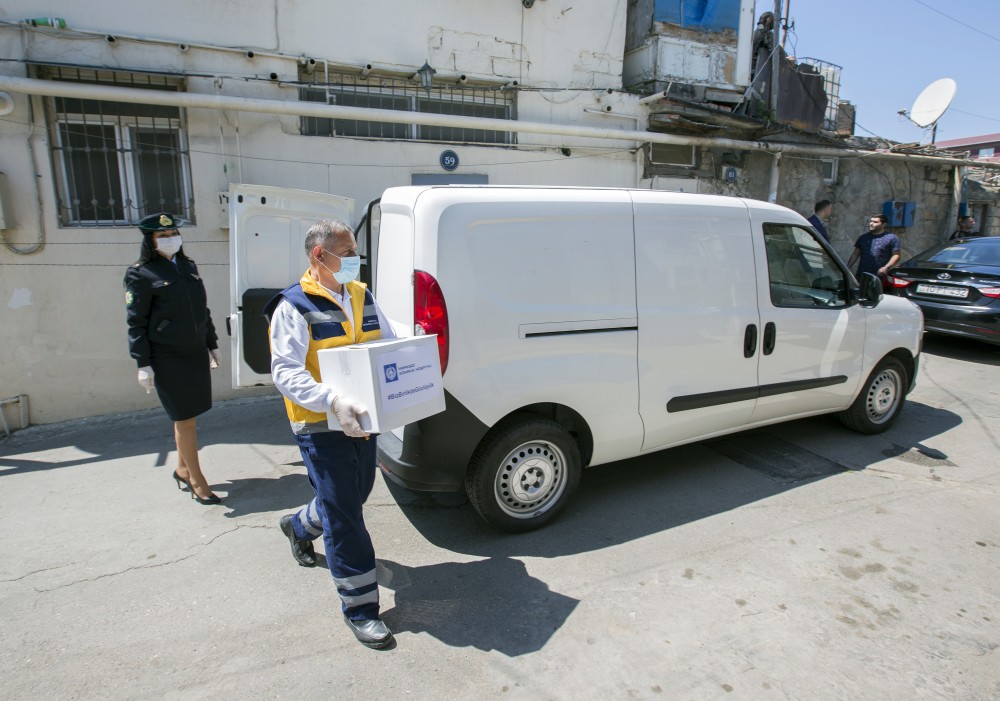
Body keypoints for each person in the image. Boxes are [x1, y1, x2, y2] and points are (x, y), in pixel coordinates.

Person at [265, 219, 398, 650]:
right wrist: (331, 400)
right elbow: (285, 371)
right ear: (319, 256)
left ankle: (298, 526)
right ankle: (360, 609)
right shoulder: (293, 305)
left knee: (352, 495)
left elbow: (387, 343)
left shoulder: (361, 295)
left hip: (362, 420)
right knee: (346, 516)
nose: (355, 260)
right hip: (320, 423)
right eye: (347, 251)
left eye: (355, 251)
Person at [124, 213, 222, 505]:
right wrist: (142, 362)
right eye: (163, 236)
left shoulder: (188, 266)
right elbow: (135, 322)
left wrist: (211, 343)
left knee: (190, 415)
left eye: (174, 234)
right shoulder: (141, 273)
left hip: (193, 352)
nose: (171, 240)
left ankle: (182, 468)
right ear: (151, 241)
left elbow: (202, 310)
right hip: (167, 356)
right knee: (184, 419)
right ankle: (197, 480)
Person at [847, 213, 901, 281]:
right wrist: (847, 267)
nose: (871, 224)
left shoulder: (891, 238)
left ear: (883, 224)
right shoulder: (863, 238)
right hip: (862, 275)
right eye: (871, 221)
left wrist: (886, 267)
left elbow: (896, 255)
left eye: (875, 222)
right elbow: (855, 254)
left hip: (879, 276)